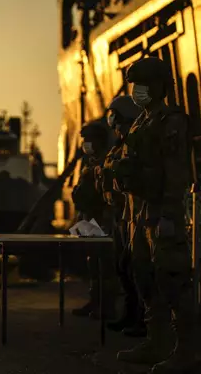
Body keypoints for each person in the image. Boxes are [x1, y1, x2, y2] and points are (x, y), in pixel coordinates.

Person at [112, 57, 194, 373]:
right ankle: (155, 342)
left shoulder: (171, 121)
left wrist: (170, 214)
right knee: (144, 275)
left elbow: (175, 171)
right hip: (140, 209)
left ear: (159, 87)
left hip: (162, 209)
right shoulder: (141, 121)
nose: (137, 91)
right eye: (135, 86)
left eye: (142, 85)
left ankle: (184, 351)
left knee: (172, 278)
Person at [96, 96, 146, 337]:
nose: (112, 123)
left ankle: (142, 319)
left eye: (114, 117)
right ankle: (129, 313)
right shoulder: (118, 147)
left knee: (136, 266)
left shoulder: (135, 145)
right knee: (123, 266)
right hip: (120, 214)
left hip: (134, 213)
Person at [71, 121, 118, 319]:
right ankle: (95, 301)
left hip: (103, 217)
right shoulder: (89, 162)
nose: (86, 144)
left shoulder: (108, 161)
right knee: (92, 263)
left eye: (89, 140)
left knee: (105, 264)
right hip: (88, 218)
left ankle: (107, 306)